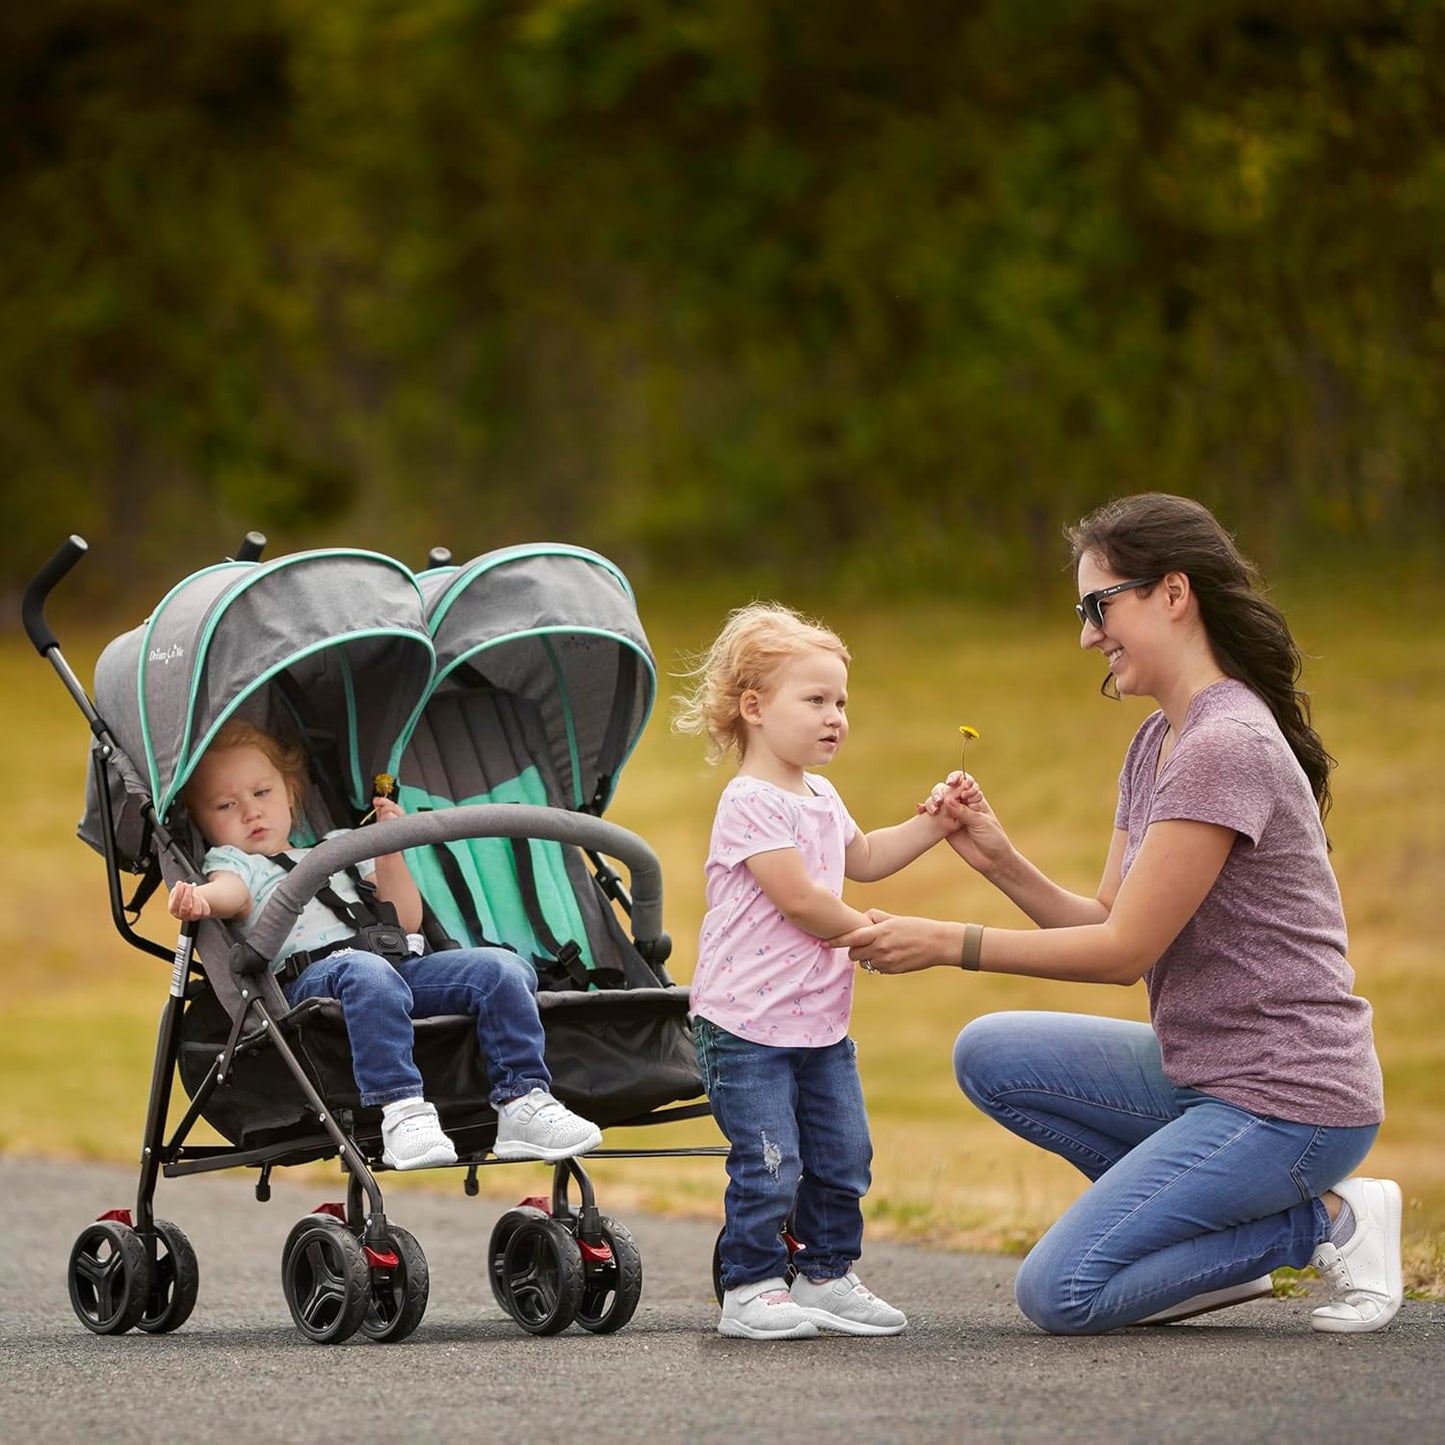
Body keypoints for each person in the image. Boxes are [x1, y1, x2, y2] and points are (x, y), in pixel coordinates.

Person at [840, 492, 1401, 1336]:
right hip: (1204, 1072)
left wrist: (947, 943)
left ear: (1170, 594)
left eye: (1097, 606)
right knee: (990, 1052)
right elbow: (1105, 914)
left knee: (1060, 1293)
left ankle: (1324, 1220)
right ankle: (1207, 1248)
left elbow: (1119, 951)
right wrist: (994, 856)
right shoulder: (1156, 741)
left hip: (1287, 1103)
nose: (1085, 634)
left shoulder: (1223, 745)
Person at [673, 601, 961, 1340]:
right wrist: (870, 930)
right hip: (744, 1027)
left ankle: (827, 1273)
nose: (835, 716)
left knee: (842, 1154)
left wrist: (933, 824)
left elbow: (860, 859)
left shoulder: (819, 794)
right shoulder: (750, 802)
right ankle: (749, 1287)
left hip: (818, 1023)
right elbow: (801, 899)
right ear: (754, 707)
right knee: (771, 1162)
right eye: (816, 700)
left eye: (841, 702)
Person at [167, 719, 602, 1171]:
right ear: (202, 823)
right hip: (316, 980)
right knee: (365, 971)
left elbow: (406, 917)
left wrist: (388, 849)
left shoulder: (339, 845)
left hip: (398, 964)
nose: (250, 813)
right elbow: (231, 893)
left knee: (502, 969)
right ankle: (402, 1112)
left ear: (291, 793)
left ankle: (522, 1101)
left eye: (262, 794)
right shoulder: (234, 863)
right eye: (225, 805)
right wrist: (200, 899)